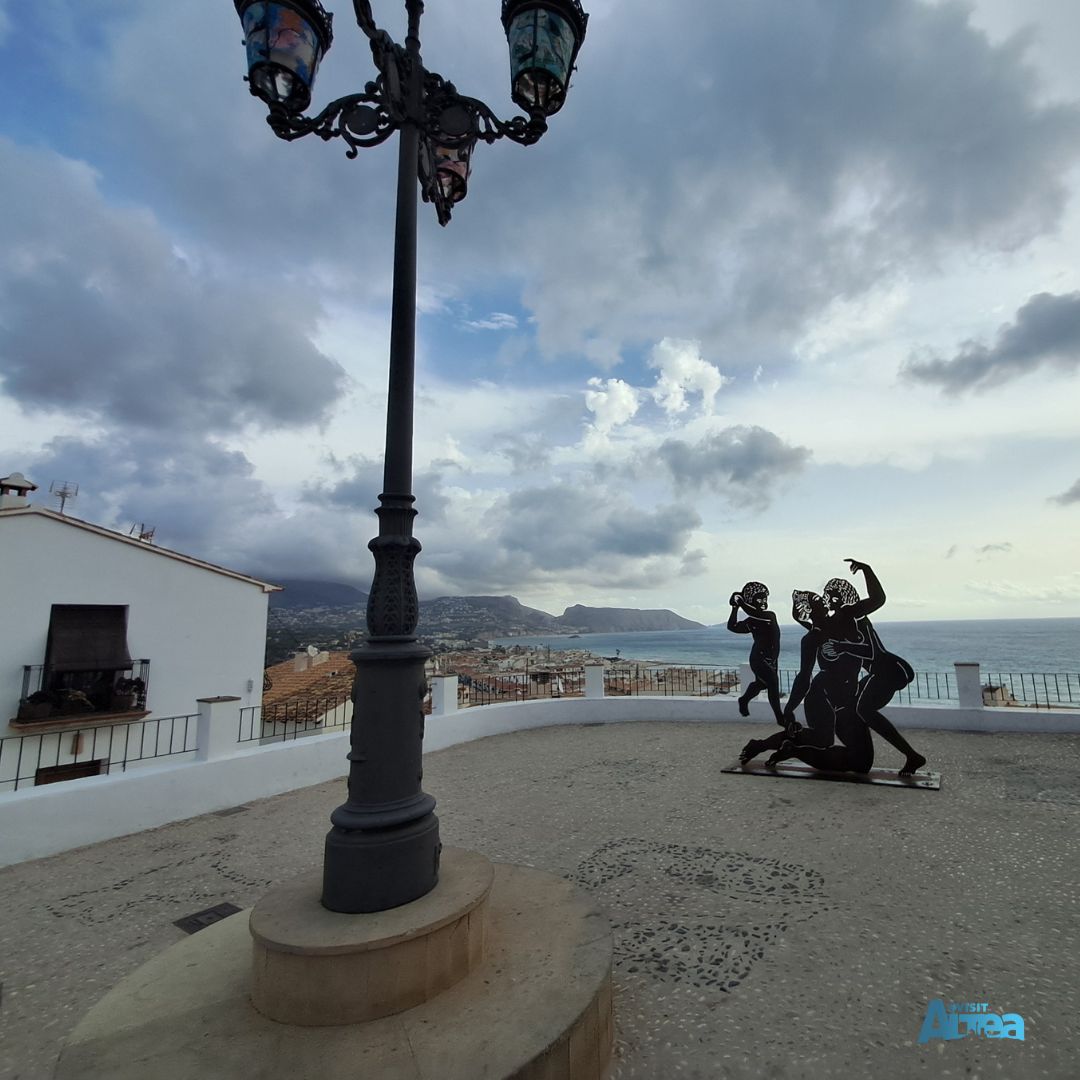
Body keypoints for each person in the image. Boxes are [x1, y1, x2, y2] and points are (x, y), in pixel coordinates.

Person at [822, 559, 927, 777]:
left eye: (830, 596)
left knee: (863, 709)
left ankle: (912, 756)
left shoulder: (852, 612)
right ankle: (859, 752)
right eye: (825, 596)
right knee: (851, 705)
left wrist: (866, 570)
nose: (827, 600)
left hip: (888, 669)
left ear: (840, 598)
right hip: (880, 671)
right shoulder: (840, 619)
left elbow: (871, 650)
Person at [738, 590, 864, 766]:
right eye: (816, 601)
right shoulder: (811, 638)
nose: (822, 602)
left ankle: (770, 746)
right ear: (808, 609)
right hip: (820, 697)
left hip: (840, 695)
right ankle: (766, 746)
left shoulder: (831, 625)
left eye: (820, 599)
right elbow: (804, 676)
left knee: (820, 740)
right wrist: (789, 709)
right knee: (823, 740)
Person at [727, 581, 784, 725]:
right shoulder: (752, 620)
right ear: (752, 601)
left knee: (761, 684)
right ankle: (780, 717)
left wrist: (740, 603)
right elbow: (732, 626)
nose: (764, 602)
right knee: (772, 683)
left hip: (772, 659)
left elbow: (755, 613)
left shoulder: (769, 616)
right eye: (760, 599)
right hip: (758, 658)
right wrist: (735, 607)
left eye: (765, 598)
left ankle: (744, 699)